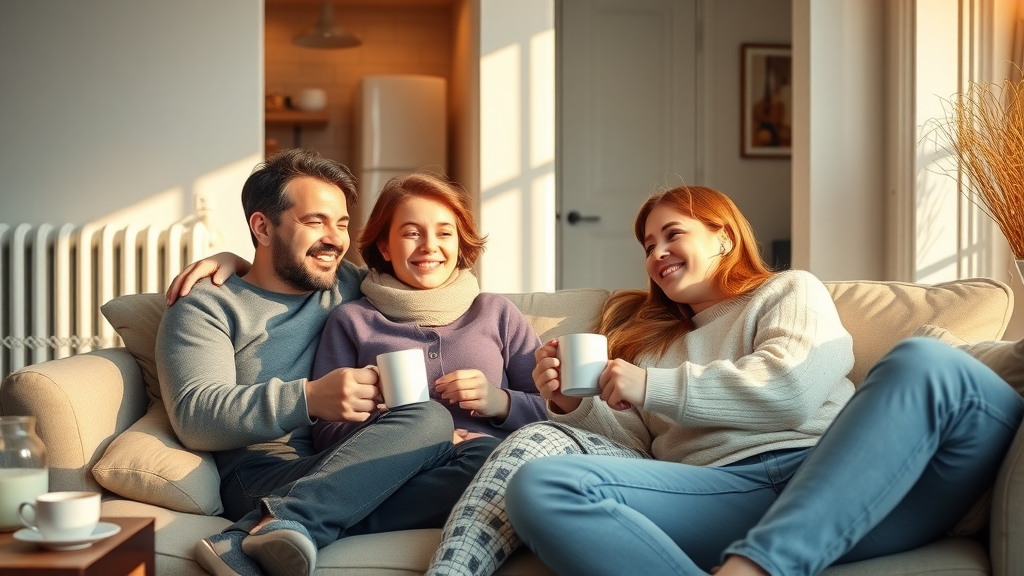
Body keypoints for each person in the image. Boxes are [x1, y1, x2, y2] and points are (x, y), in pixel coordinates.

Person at [423, 185, 1024, 576]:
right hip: (723, 493)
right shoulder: (654, 344)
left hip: (838, 476)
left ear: (725, 236)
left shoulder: (788, 291)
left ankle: (758, 567)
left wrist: (651, 387)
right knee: (541, 484)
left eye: (672, 234)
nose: (656, 253)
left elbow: (791, 388)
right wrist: (566, 404)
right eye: (647, 244)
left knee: (924, 362)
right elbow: (636, 447)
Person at [159, 150, 485, 576]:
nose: (335, 238)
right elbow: (194, 415)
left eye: (343, 224)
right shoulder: (206, 305)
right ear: (262, 227)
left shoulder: (347, 283)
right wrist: (309, 399)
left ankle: (264, 531)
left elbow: (432, 279)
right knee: (427, 418)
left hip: (355, 459)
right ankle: (283, 518)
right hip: (262, 473)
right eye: (316, 222)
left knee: (488, 458)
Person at [307, 172, 547, 530]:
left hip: (483, 465)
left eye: (444, 232)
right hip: (384, 476)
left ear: (461, 242)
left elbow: (555, 412)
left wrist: (500, 402)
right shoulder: (352, 320)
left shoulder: (497, 313)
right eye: (411, 233)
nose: (429, 246)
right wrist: (406, 431)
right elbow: (325, 434)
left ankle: (337, 519)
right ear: (385, 247)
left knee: (488, 459)